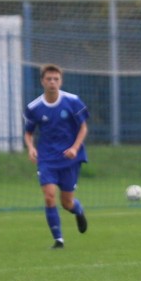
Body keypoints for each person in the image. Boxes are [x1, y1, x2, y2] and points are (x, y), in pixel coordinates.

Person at [24, 64, 89, 249]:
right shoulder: (34, 107)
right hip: (46, 159)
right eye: (49, 79)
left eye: (56, 79)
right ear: (42, 81)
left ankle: (78, 210)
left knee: (67, 202)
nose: (52, 82)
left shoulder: (73, 101)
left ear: (61, 81)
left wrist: (75, 148)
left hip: (69, 158)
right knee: (49, 196)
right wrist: (31, 148)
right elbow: (28, 133)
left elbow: (83, 127)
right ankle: (58, 239)